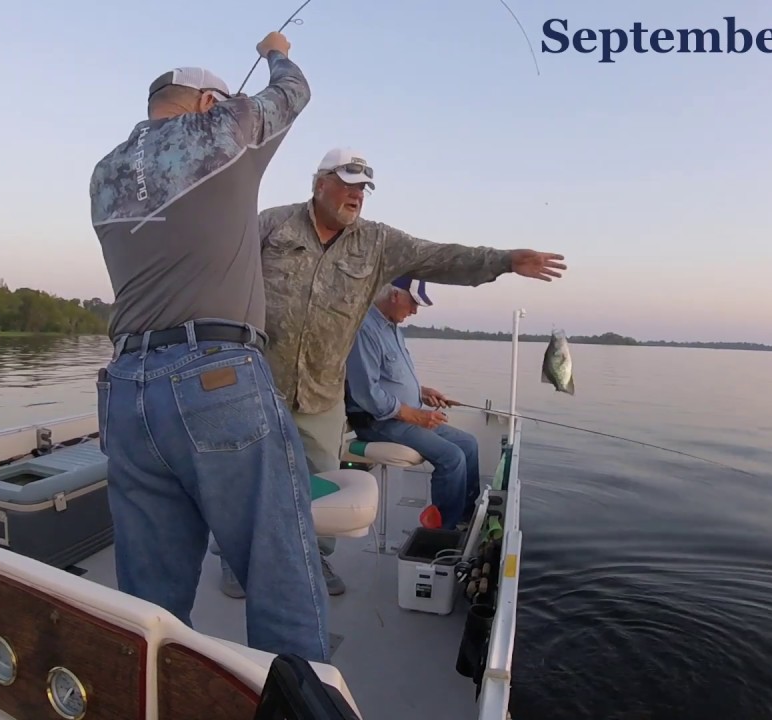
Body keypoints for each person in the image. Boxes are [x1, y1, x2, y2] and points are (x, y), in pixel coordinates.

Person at [216, 146, 566, 598]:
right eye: (346, 183)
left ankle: (312, 559)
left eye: (363, 188)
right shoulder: (271, 224)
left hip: (322, 397)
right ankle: (232, 559)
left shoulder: (378, 243)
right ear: (319, 182)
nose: (356, 194)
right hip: (256, 384)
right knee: (244, 477)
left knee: (318, 485)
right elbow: (220, 270)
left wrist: (504, 260)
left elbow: (440, 257)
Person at [88, 31, 332, 663]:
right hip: (215, 381)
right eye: (222, 99)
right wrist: (277, 50)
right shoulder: (223, 129)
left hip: (125, 394)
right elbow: (294, 91)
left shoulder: (104, 172)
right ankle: (299, 699)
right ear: (203, 102)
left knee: (147, 600)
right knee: (281, 572)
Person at [344, 277, 480, 530]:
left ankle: (466, 517)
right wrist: (416, 415)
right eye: (414, 303)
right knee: (452, 457)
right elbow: (367, 394)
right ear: (395, 295)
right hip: (378, 422)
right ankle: (444, 532)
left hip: (405, 415)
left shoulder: (393, 327)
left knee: (469, 444)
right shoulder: (365, 330)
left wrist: (422, 392)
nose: (415, 311)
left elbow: (391, 377)